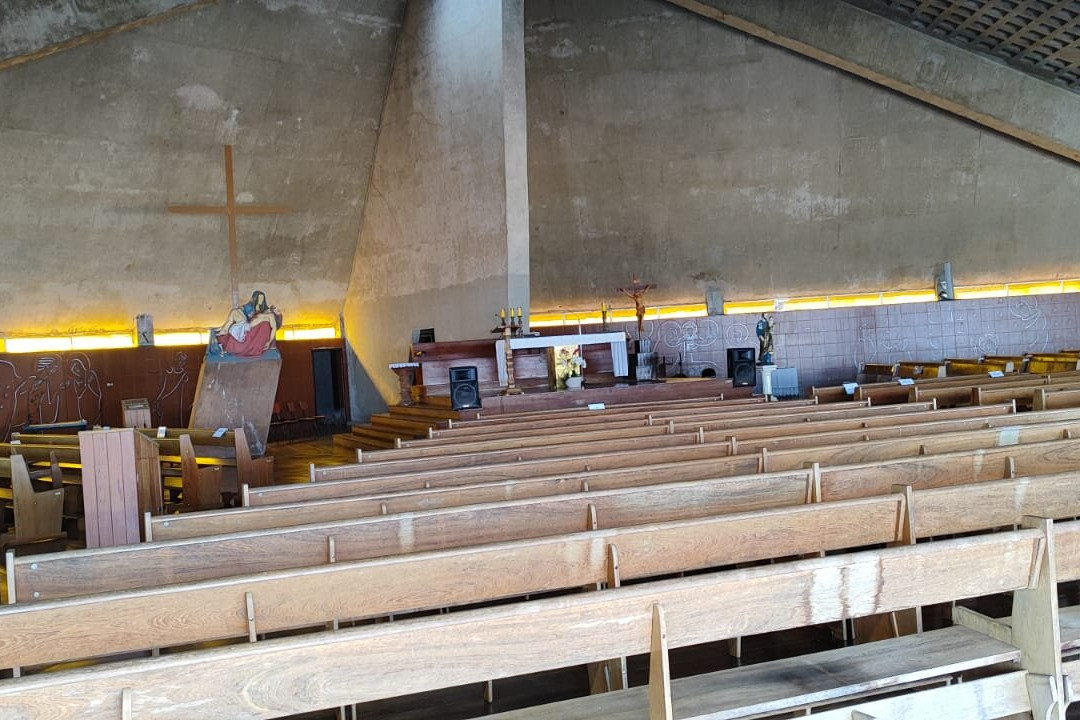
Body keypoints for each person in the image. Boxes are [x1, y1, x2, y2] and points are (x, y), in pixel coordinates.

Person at [213, 291, 282, 357]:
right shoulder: (266, 312)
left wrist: (269, 342)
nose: (276, 308)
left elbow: (274, 328)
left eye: (277, 311)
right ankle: (224, 329)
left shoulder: (271, 317)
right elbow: (264, 309)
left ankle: (224, 330)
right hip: (247, 323)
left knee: (234, 312)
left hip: (246, 326)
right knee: (235, 311)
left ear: (276, 316)